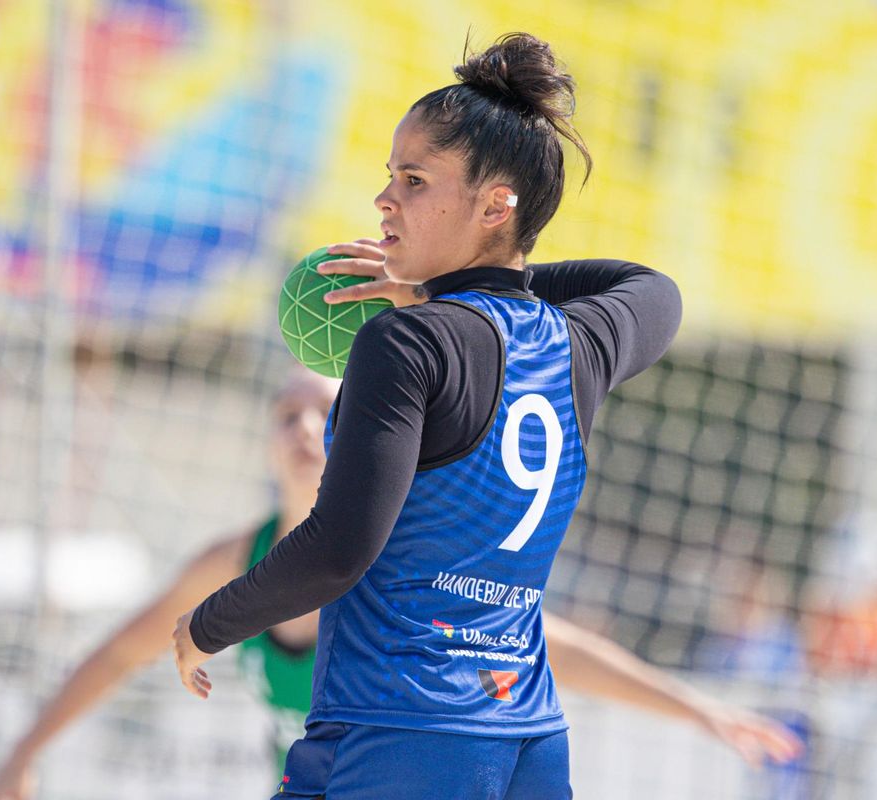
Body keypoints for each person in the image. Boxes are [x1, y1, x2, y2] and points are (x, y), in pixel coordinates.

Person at [171, 33, 799, 798]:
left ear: (495, 205)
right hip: (525, 734)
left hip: (400, 726)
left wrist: (208, 624)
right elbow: (653, 291)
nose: (384, 199)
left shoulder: (405, 340)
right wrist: (477, 281)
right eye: (389, 176)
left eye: (413, 178)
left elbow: (340, 548)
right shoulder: (574, 342)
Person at [0, 371, 801, 799]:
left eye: (323, 412)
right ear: (267, 446)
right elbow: (119, 653)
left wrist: (700, 709)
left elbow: (553, 648)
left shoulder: (407, 561)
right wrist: (22, 754)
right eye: (285, 415)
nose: (303, 428)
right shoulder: (234, 559)